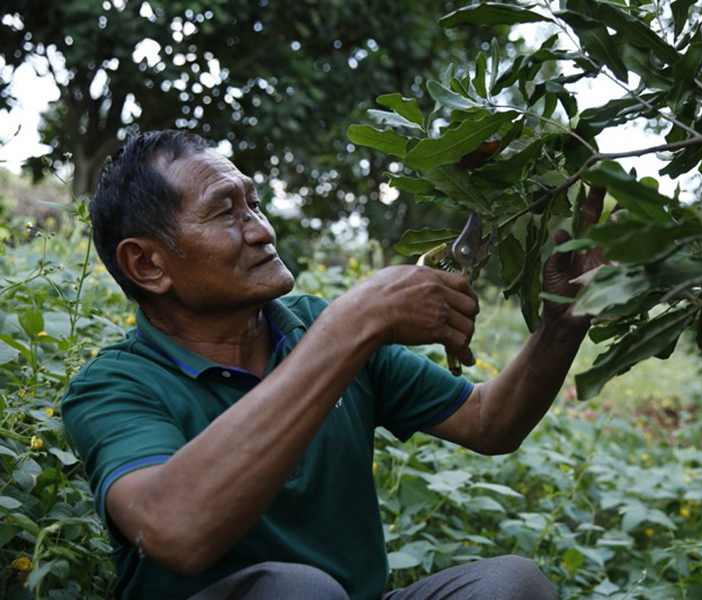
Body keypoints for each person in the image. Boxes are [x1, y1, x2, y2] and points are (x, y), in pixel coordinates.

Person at [62, 130, 602, 600]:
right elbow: (175, 530)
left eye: (254, 205)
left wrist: (562, 325)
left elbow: (488, 421)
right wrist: (353, 325)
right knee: (298, 591)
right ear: (148, 264)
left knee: (511, 586)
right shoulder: (114, 386)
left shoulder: (314, 328)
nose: (261, 231)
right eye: (226, 211)